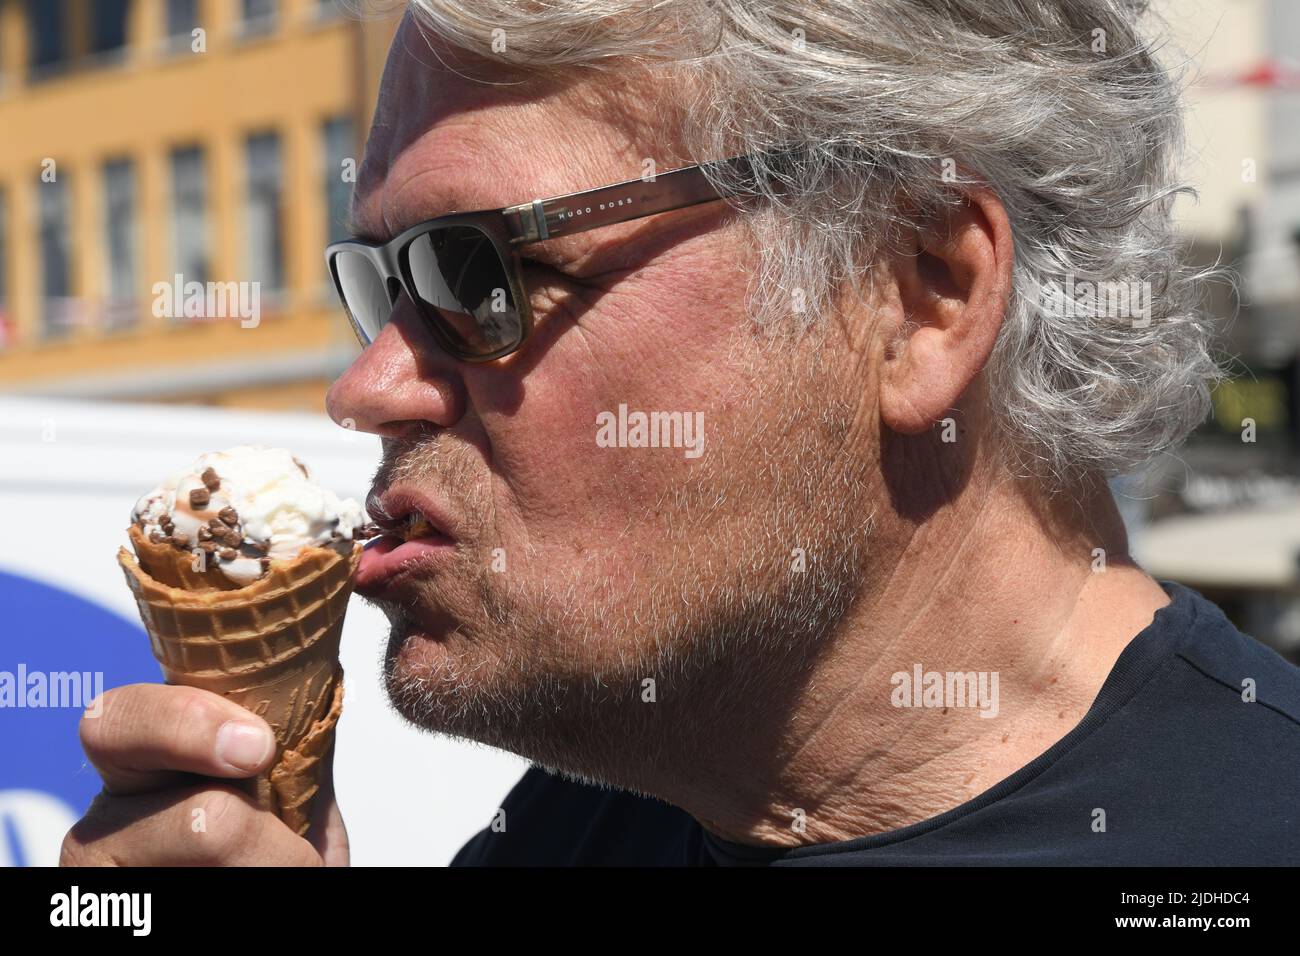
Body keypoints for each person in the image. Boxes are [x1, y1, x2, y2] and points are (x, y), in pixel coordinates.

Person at [63, 0, 1300, 867]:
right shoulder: (567, 830)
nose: (370, 384)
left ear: (920, 292)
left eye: (478, 272)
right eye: (382, 282)